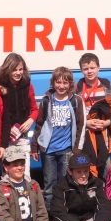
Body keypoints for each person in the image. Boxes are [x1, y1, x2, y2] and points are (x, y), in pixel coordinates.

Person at [31, 66, 86, 209]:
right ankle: (49, 213)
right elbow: (39, 124)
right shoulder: (46, 100)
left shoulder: (76, 101)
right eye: (58, 82)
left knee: (65, 183)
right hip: (48, 150)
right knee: (49, 185)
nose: (61, 86)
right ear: (53, 82)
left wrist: (76, 150)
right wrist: (35, 147)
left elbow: (81, 126)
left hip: (66, 150)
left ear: (70, 84)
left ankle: (64, 212)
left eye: (65, 82)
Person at [48, 153, 111, 221]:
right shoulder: (60, 186)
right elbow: (58, 212)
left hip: (90, 220)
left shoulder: (96, 183)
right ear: (70, 171)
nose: (83, 175)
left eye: (86, 171)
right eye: (78, 172)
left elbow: (105, 205)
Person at [75, 53, 111, 178]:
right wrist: (86, 123)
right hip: (85, 136)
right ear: (81, 70)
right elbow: (73, 113)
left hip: (104, 135)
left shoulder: (107, 85)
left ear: (98, 68)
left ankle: (106, 190)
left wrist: (108, 122)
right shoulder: (77, 89)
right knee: (88, 169)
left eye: (92, 68)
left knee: (106, 169)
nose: (89, 71)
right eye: (85, 69)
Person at [0, 53, 39, 179]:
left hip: (22, 138)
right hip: (5, 138)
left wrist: (30, 120)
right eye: (14, 69)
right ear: (7, 69)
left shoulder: (27, 85)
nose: (18, 73)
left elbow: (35, 109)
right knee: (8, 176)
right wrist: (6, 130)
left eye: (21, 69)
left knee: (24, 175)